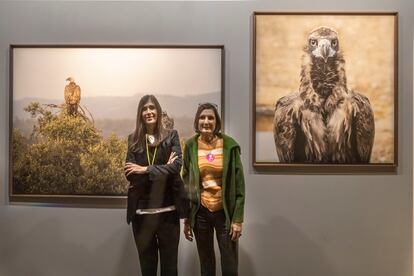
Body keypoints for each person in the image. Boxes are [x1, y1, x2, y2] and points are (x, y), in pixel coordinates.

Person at [124, 94, 187, 276]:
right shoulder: (133, 140)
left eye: (152, 108)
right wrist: (163, 169)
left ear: (158, 111)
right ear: (140, 113)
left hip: (168, 216)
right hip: (142, 217)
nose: (149, 111)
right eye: (144, 108)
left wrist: (144, 170)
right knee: (147, 270)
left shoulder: (171, 136)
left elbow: (176, 168)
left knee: (170, 270)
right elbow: (130, 175)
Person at [182, 103, 245, 276]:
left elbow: (240, 187)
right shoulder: (190, 146)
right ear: (197, 121)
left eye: (211, 117)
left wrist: (238, 219)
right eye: (202, 117)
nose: (206, 121)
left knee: (230, 262)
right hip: (201, 212)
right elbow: (186, 182)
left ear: (216, 122)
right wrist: (187, 217)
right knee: (206, 262)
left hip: (225, 213)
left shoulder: (230, 146)